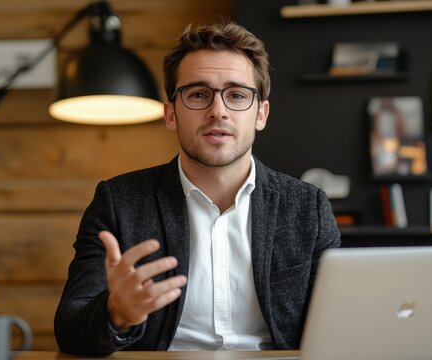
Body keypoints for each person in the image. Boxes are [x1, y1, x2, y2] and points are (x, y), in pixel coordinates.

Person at [54, 20, 341, 355]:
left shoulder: (308, 207)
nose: (217, 111)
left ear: (261, 114)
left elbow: (337, 325)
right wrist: (116, 314)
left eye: (236, 95)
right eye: (198, 94)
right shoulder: (119, 202)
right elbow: (69, 327)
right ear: (171, 113)